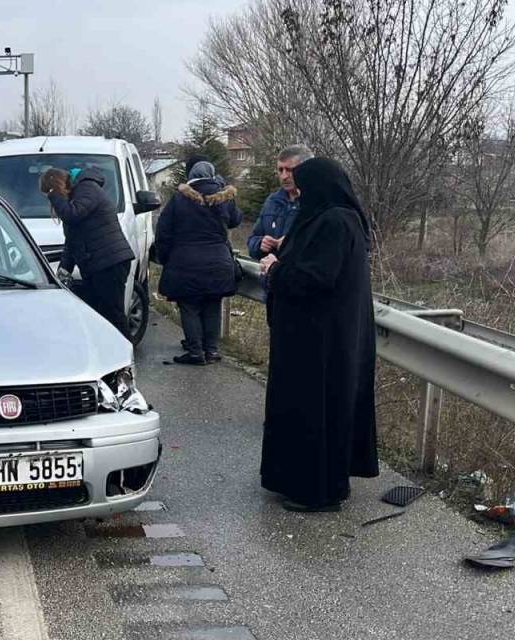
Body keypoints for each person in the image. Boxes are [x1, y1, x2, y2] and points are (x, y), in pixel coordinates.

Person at [257, 157, 378, 512]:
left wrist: (276, 269)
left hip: (321, 341)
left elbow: (316, 278)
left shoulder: (336, 221)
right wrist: (283, 254)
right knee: (306, 410)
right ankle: (297, 481)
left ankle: (319, 491)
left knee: (316, 412)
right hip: (314, 336)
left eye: (304, 187)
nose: (300, 194)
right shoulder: (334, 218)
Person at [155, 161, 242, 365]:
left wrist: (165, 257)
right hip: (219, 262)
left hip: (185, 262)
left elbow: (163, 231)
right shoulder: (224, 198)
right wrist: (223, 187)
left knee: (189, 306)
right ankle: (211, 351)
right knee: (213, 304)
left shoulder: (178, 200)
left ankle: (195, 352)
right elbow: (236, 220)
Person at [40, 166, 135, 339]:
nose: (50, 200)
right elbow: (73, 239)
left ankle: (125, 356)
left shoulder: (87, 188)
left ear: (57, 186)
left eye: (49, 193)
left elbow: (72, 215)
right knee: (100, 314)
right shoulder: (78, 197)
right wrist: (64, 269)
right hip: (99, 264)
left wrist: (54, 195)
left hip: (109, 263)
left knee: (113, 314)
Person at [247, 145, 314, 260]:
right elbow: (252, 239)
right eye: (280, 170)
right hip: (271, 275)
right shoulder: (272, 201)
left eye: (289, 170)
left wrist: (291, 244)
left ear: (305, 170)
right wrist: (260, 244)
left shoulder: (315, 203)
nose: (284, 176)